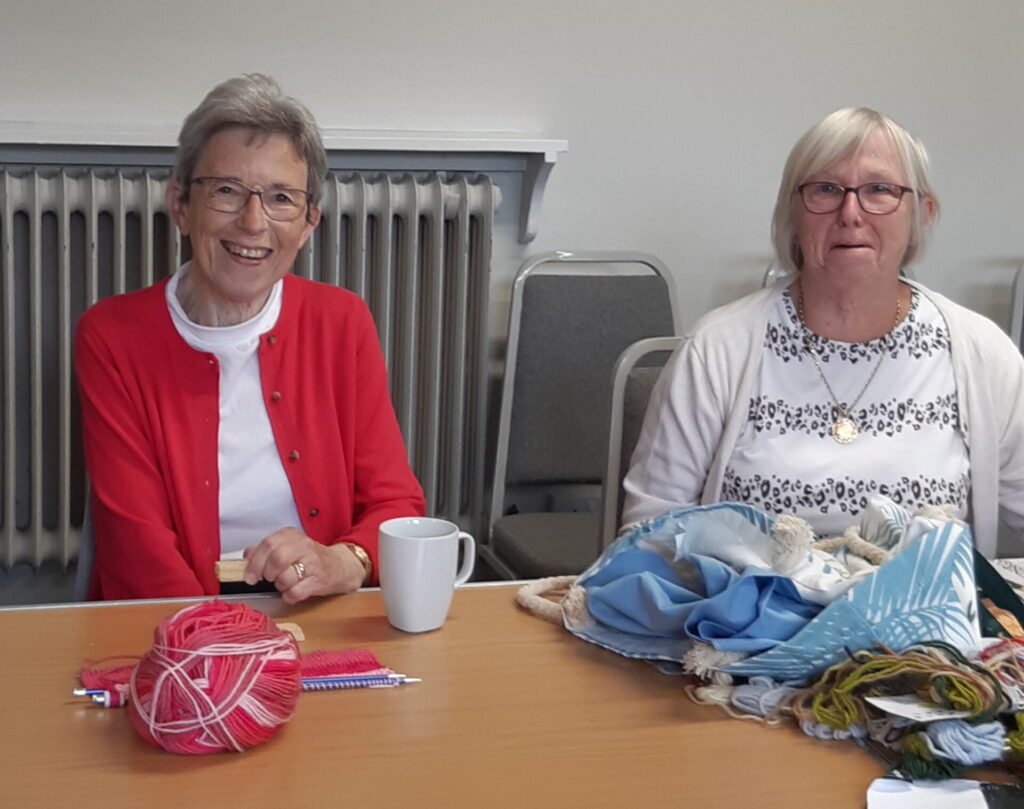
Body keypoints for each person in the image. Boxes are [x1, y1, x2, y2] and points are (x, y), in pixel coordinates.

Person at [74, 74, 426, 601]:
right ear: (180, 206)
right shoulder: (112, 337)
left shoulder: (342, 322)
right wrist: (234, 645)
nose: (253, 222)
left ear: (308, 223)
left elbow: (396, 505)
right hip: (177, 625)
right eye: (226, 191)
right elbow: (136, 555)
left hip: (315, 615)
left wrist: (343, 560)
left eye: (281, 198)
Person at [622, 107, 1024, 557]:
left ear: (921, 215)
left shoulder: (983, 354)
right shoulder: (717, 351)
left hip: (926, 626)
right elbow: (648, 537)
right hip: (755, 626)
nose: (851, 212)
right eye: (826, 189)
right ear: (792, 214)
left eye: (879, 190)